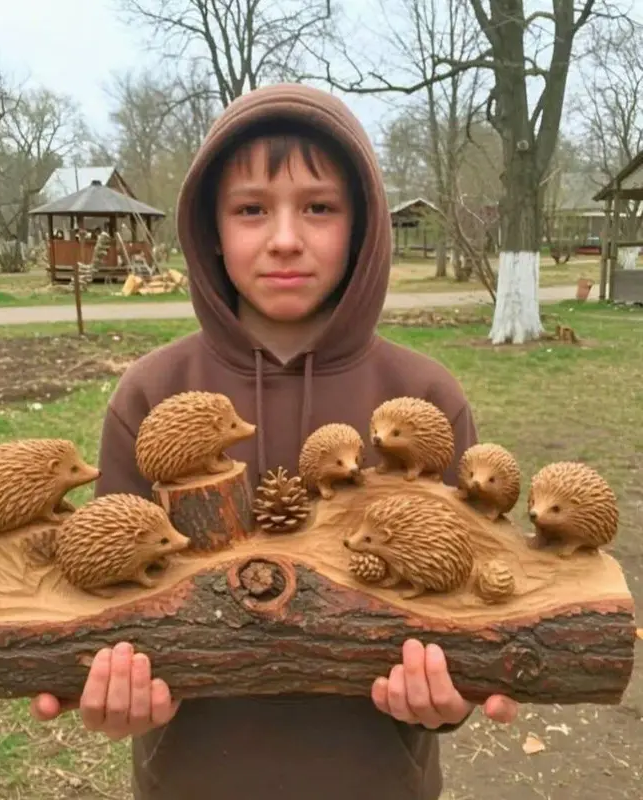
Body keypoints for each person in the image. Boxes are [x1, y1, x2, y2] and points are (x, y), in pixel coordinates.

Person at [31, 83, 517, 799]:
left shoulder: (427, 399)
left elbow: (466, 607)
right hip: (193, 781)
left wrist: (453, 700)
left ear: (362, 225)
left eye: (319, 207)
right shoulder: (149, 393)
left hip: (378, 780)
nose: (285, 237)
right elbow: (111, 603)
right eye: (251, 208)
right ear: (210, 227)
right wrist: (110, 693)